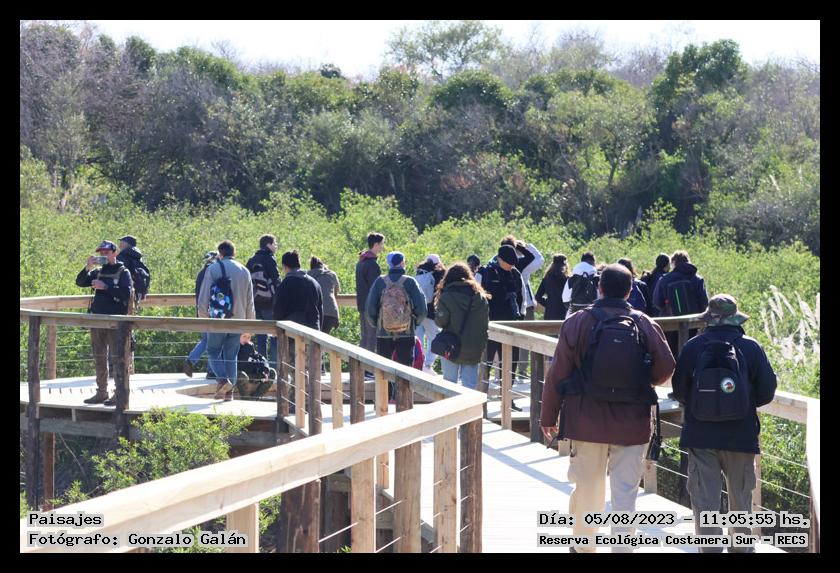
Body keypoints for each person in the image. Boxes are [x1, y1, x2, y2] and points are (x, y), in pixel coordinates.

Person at [540, 264, 676, 553]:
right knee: (625, 492)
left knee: (588, 488)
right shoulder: (644, 323)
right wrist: (642, 379)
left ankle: (584, 546)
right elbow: (666, 367)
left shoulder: (577, 322)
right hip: (632, 422)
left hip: (586, 421)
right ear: (629, 291)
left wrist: (548, 415)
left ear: (599, 288)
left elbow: (558, 373)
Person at [671, 294, 777, 553]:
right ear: (735, 318)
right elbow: (767, 391)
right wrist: (742, 404)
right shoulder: (751, 347)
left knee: (704, 501)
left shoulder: (693, 347)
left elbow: (679, 389)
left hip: (701, 436)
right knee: (741, 499)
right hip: (741, 436)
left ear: (709, 318)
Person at [197, 240, 256, 401]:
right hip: (239, 321)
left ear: (220, 253)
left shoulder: (213, 269)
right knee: (231, 355)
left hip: (218, 320)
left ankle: (223, 380)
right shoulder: (244, 271)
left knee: (213, 351)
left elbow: (203, 298)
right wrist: (250, 326)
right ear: (234, 253)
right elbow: (250, 301)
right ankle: (228, 394)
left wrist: (204, 319)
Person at [76, 240, 133, 405]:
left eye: (106, 252)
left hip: (116, 323)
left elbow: (126, 294)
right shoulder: (98, 271)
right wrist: (88, 267)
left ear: (115, 253)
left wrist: (106, 287)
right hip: (97, 321)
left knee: (117, 358)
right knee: (99, 358)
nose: (103, 255)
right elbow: (80, 282)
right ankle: (101, 392)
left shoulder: (123, 272)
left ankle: (119, 393)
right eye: (101, 253)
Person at [365, 251, 427, 399]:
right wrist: (414, 323)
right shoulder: (410, 282)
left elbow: (370, 309)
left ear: (389, 264)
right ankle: (404, 401)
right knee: (405, 369)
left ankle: (384, 401)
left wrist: (377, 324)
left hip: (383, 333)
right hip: (406, 332)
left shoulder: (380, 282)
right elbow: (422, 309)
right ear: (402, 263)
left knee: (384, 369)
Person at [477, 245, 525, 410]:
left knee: (511, 365)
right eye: (508, 263)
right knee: (486, 365)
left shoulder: (515, 274)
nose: (511, 266)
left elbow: (522, 298)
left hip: (511, 326)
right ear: (500, 259)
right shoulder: (485, 272)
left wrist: (521, 318)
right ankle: (480, 403)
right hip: (490, 326)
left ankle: (507, 400)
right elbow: (476, 297)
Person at [433, 262, 490, 390]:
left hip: (450, 345)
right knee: (469, 385)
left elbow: (441, 322)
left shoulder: (446, 296)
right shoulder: (480, 297)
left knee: (449, 384)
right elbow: (484, 324)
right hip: (474, 346)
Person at [502, 236, 544, 376]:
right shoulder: (521, 263)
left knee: (505, 338)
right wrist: (526, 246)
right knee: (525, 337)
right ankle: (522, 369)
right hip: (525, 305)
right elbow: (539, 259)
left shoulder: (497, 262)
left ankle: (502, 371)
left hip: (505, 305)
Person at [246, 234, 281, 366]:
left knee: (261, 337)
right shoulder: (269, 258)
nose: (276, 246)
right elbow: (276, 280)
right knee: (274, 336)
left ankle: (262, 367)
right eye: (274, 243)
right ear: (268, 245)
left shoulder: (251, 260)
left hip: (255, 303)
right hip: (269, 304)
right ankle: (274, 367)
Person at [184, 251, 218, 379]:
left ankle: (192, 361)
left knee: (206, 340)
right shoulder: (214, 273)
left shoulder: (201, 273)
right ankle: (210, 370)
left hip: (201, 311)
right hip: (212, 312)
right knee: (213, 342)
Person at [273, 251, 323, 330]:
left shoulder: (285, 284)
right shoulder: (314, 283)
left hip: (291, 330)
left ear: (284, 266)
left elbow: (279, 310)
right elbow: (320, 310)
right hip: (313, 330)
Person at [356, 233, 385, 365]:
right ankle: (368, 368)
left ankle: (360, 366)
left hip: (362, 304)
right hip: (371, 306)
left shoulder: (361, 262)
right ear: (376, 244)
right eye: (382, 244)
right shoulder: (372, 265)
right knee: (372, 337)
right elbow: (375, 288)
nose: (383, 247)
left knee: (365, 337)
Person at [414, 254, 446, 373]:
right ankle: (427, 365)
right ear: (437, 263)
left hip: (417, 312)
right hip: (431, 313)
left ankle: (418, 363)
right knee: (435, 339)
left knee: (418, 339)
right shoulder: (439, 274)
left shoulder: (419, 273)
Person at [235, 333, 276, 399]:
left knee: (272, 372)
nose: (246, 339)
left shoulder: (250, 347)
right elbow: (241, 364)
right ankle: (246, 399)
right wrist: (247, 349)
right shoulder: (235, 347)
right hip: (243, 374)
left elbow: (261, 358)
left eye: (248, 337)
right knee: (240, 375)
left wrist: (265, 369)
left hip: (253, 373)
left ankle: (255, 397)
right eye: (244, 336)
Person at [308, 256, 341, 335]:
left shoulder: (308, 275)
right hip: (332, 312)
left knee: (316, 337)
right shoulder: (331, 274)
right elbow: (337, 291)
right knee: (323, 336)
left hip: (317, 312)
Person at [562, 252, 599, 317]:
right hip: (592, 315)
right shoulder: (596, 279)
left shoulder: (572, 279)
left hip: (574, 315)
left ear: (581, 261)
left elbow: (565, 299)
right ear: (593, 262)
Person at [535, 254, 570, 320]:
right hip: (563, 312)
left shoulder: (547, 278)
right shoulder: (567, 280)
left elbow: (538, 296)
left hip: (549, 313)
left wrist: (548, 303)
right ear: (565, 265)